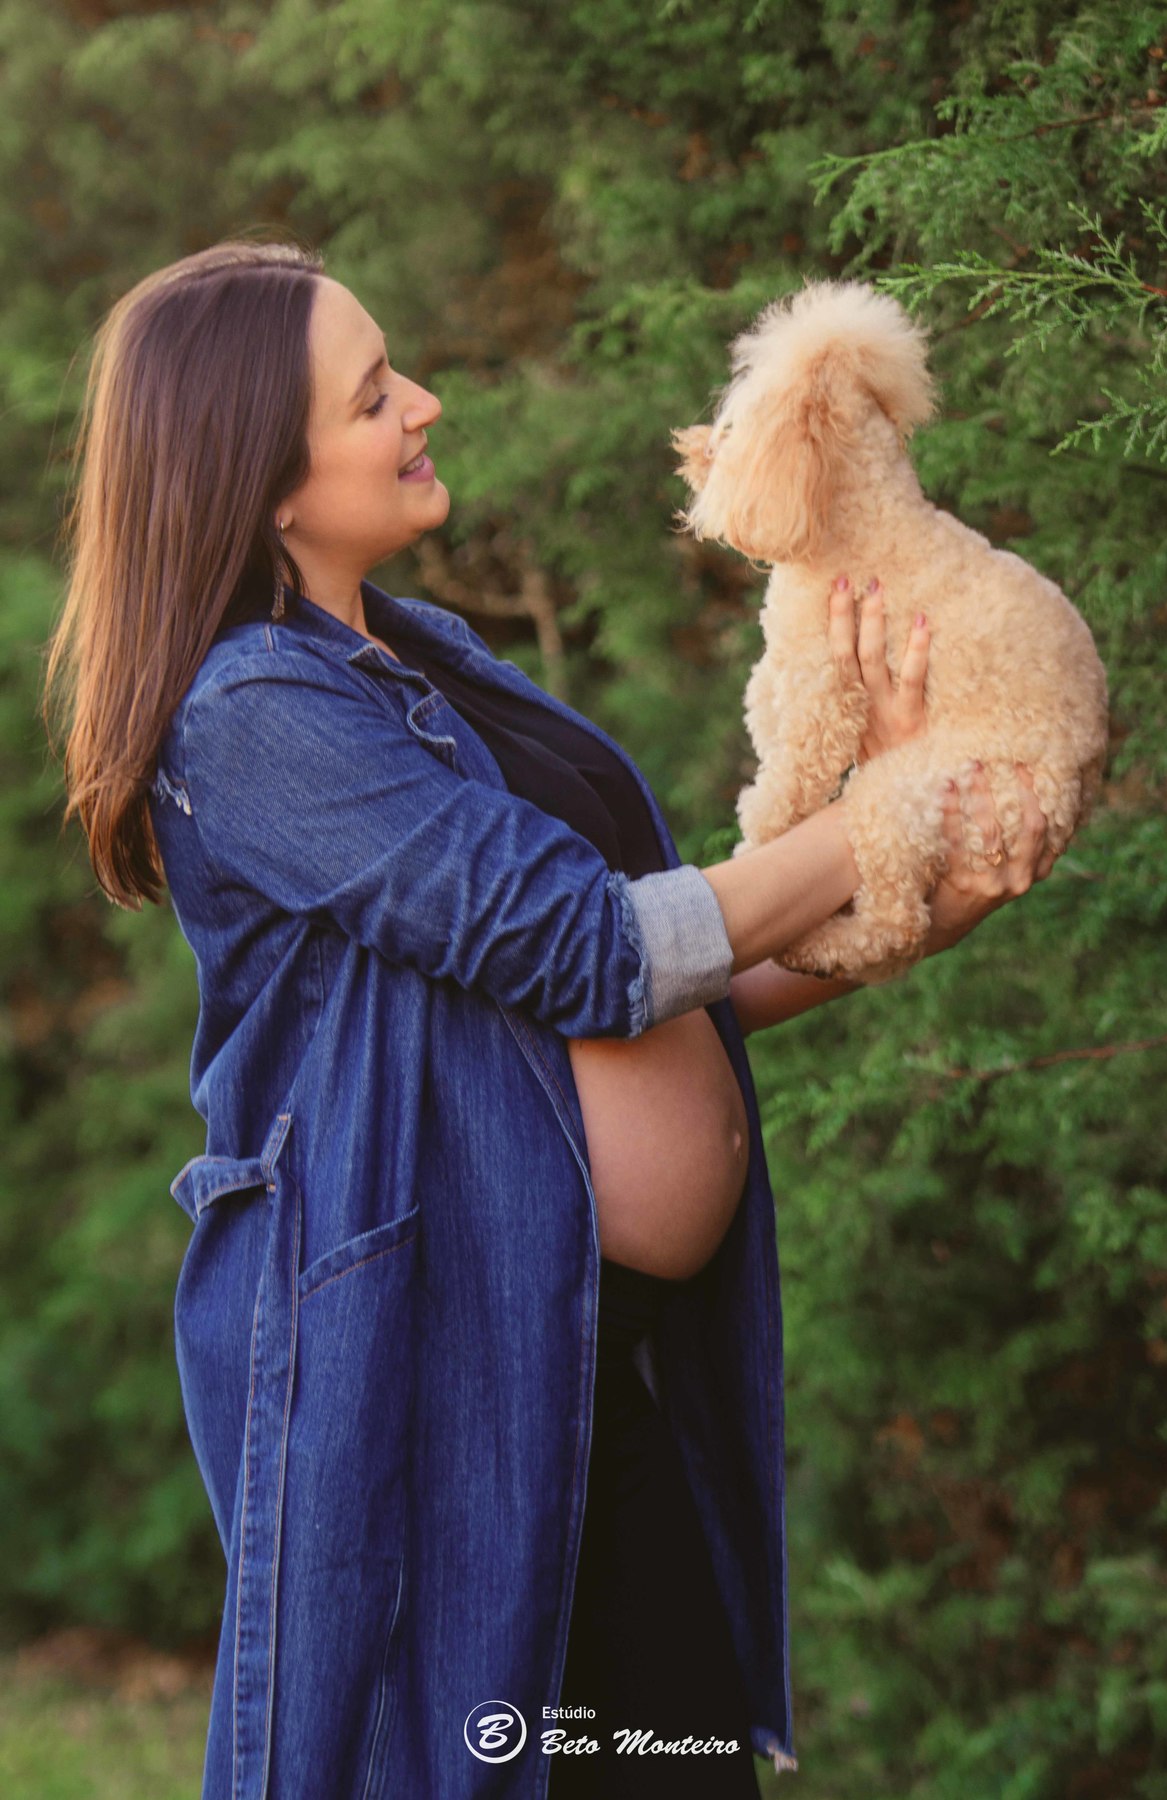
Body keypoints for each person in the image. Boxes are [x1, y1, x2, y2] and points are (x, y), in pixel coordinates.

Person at [41, 238, 1055, 1800]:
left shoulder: (424, 654)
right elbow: (593, 950)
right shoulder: (250, 716)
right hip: (445, 1381)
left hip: (596, 1363)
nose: (425, 403)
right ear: (264, 478)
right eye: (375, 395)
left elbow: (664, 979)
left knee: (672, 1764)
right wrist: (889, 813)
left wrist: (928, 899)